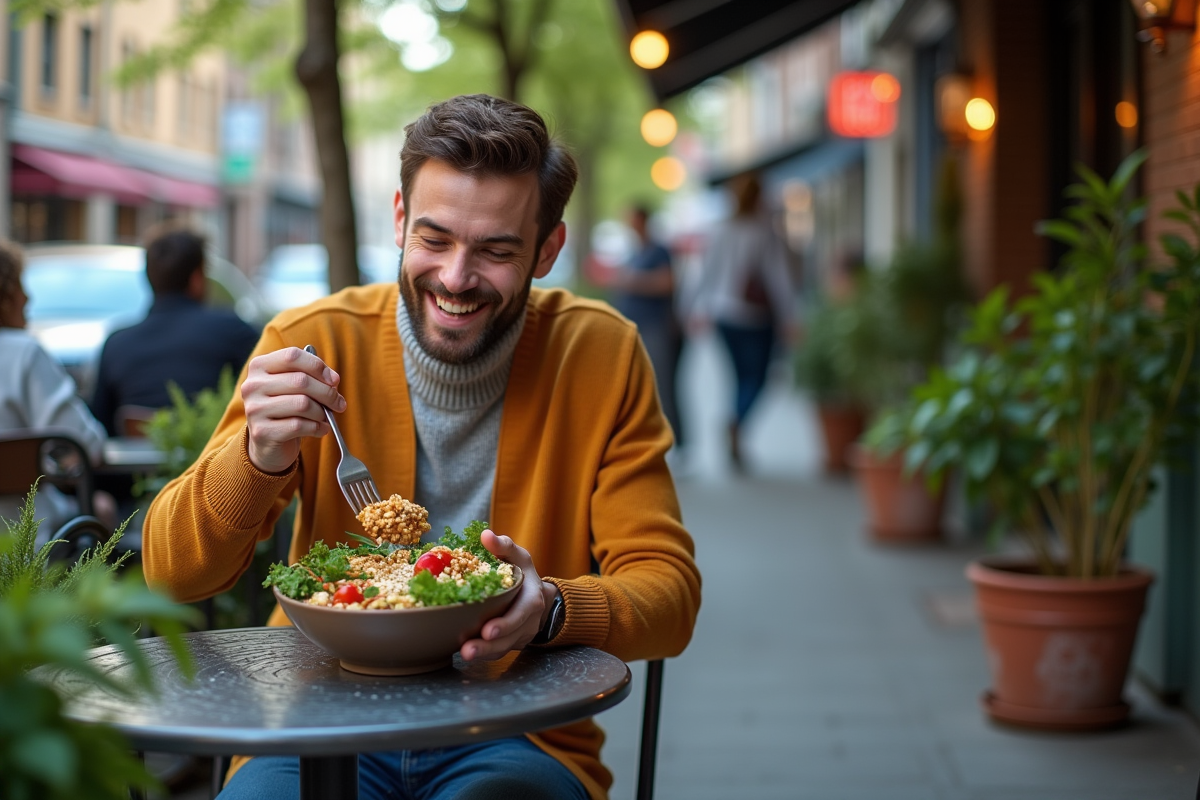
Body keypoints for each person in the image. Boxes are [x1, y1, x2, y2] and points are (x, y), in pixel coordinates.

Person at [143, 94, 702, 800]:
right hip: (315, 716)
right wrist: (256, 457)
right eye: (434, 239)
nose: (456, 277)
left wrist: (550, 608)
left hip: (516, 729)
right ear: (401, 219)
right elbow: (171, 575)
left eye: (496, 250)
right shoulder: (313, 342)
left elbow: (670, 593)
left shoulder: (601, 353)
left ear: (547, 249)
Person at [89, 225, 260, 436]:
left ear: (149, 278)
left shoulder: (116, 343)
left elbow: (100, 424)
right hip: (212, 463)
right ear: (196, 278)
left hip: (133, 468)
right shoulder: (234, 331)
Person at [0, 238, 116, 538]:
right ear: (6, 296)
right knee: (100, 507)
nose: (28, 298)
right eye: (19, 285)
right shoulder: (22, 354)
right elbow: (86, 444)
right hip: (25, 544)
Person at [684, 172, 797, 471]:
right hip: (756, 316)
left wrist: (690, 309)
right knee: (757, 378)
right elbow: (778, 278)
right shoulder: (764, 232)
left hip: (723, 315)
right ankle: (737, 422)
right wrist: (790, 316)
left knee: (738, 377)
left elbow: (704, 272)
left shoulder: (719, 231)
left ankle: (736, 425)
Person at [608, 204, 686, 461]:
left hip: (657, 327)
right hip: (637, 325)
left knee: (663, 384)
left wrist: (632, 280)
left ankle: (679, 444)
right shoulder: (635, 252)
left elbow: (667, 282)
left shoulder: (658, 251)